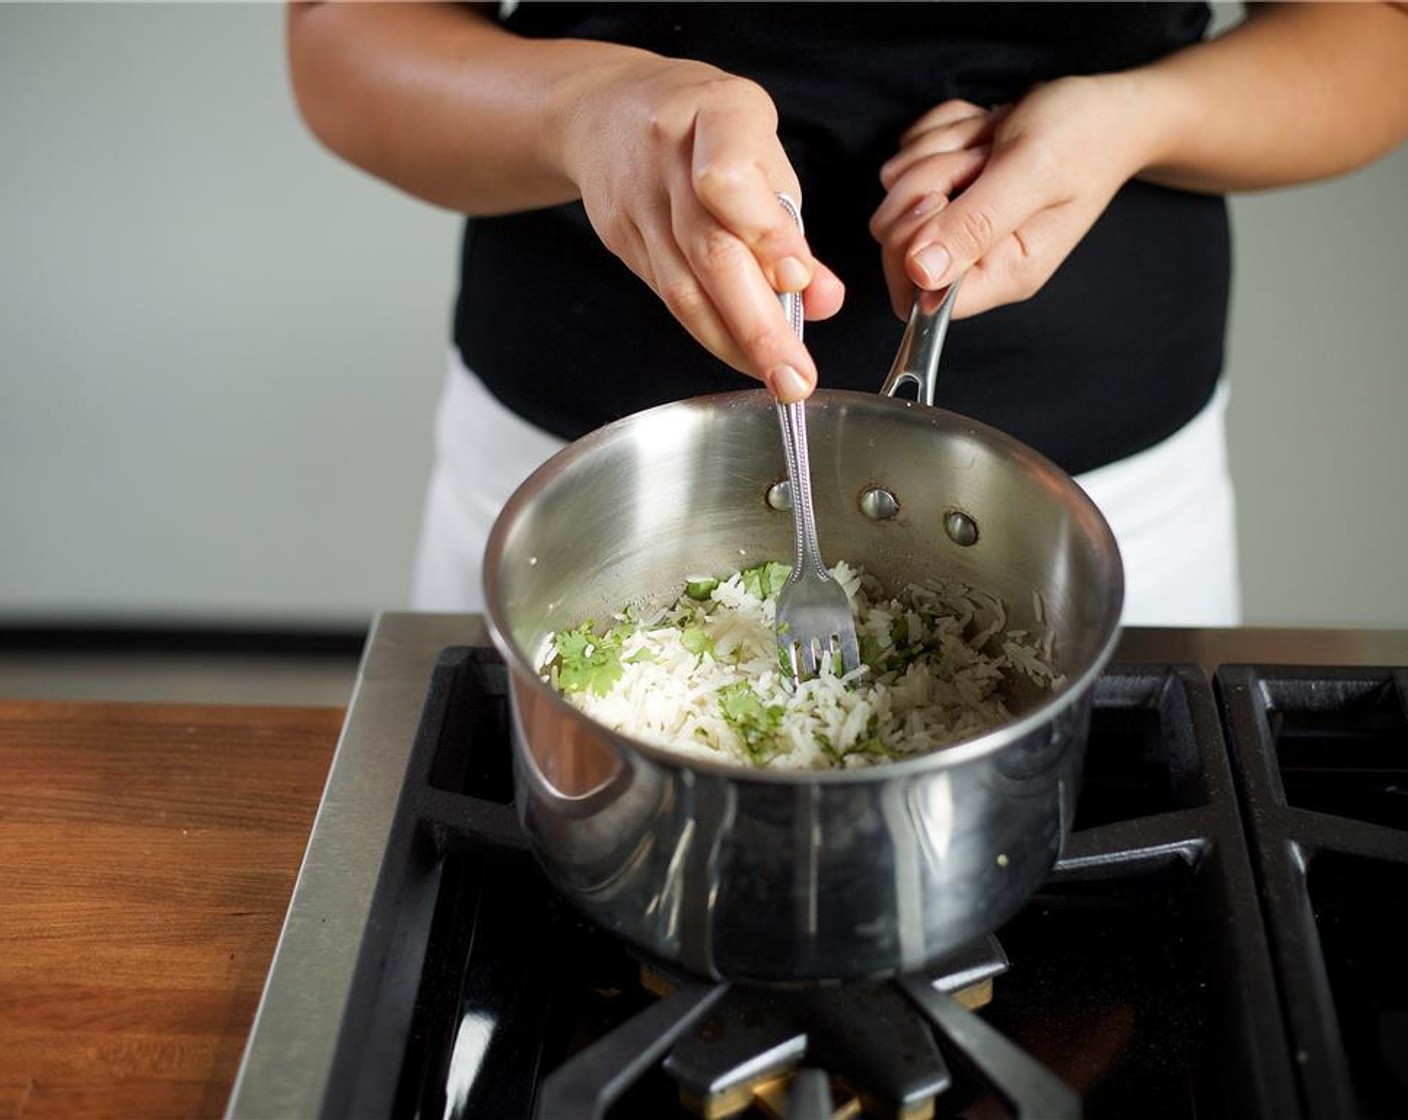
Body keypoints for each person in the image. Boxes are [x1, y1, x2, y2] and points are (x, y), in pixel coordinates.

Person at [286, 2, 1408, 625]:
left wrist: (1134, 118)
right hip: (577, 495)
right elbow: (346, 33)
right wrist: (588, 112)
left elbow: (1374, 36)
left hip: (1108, 513)